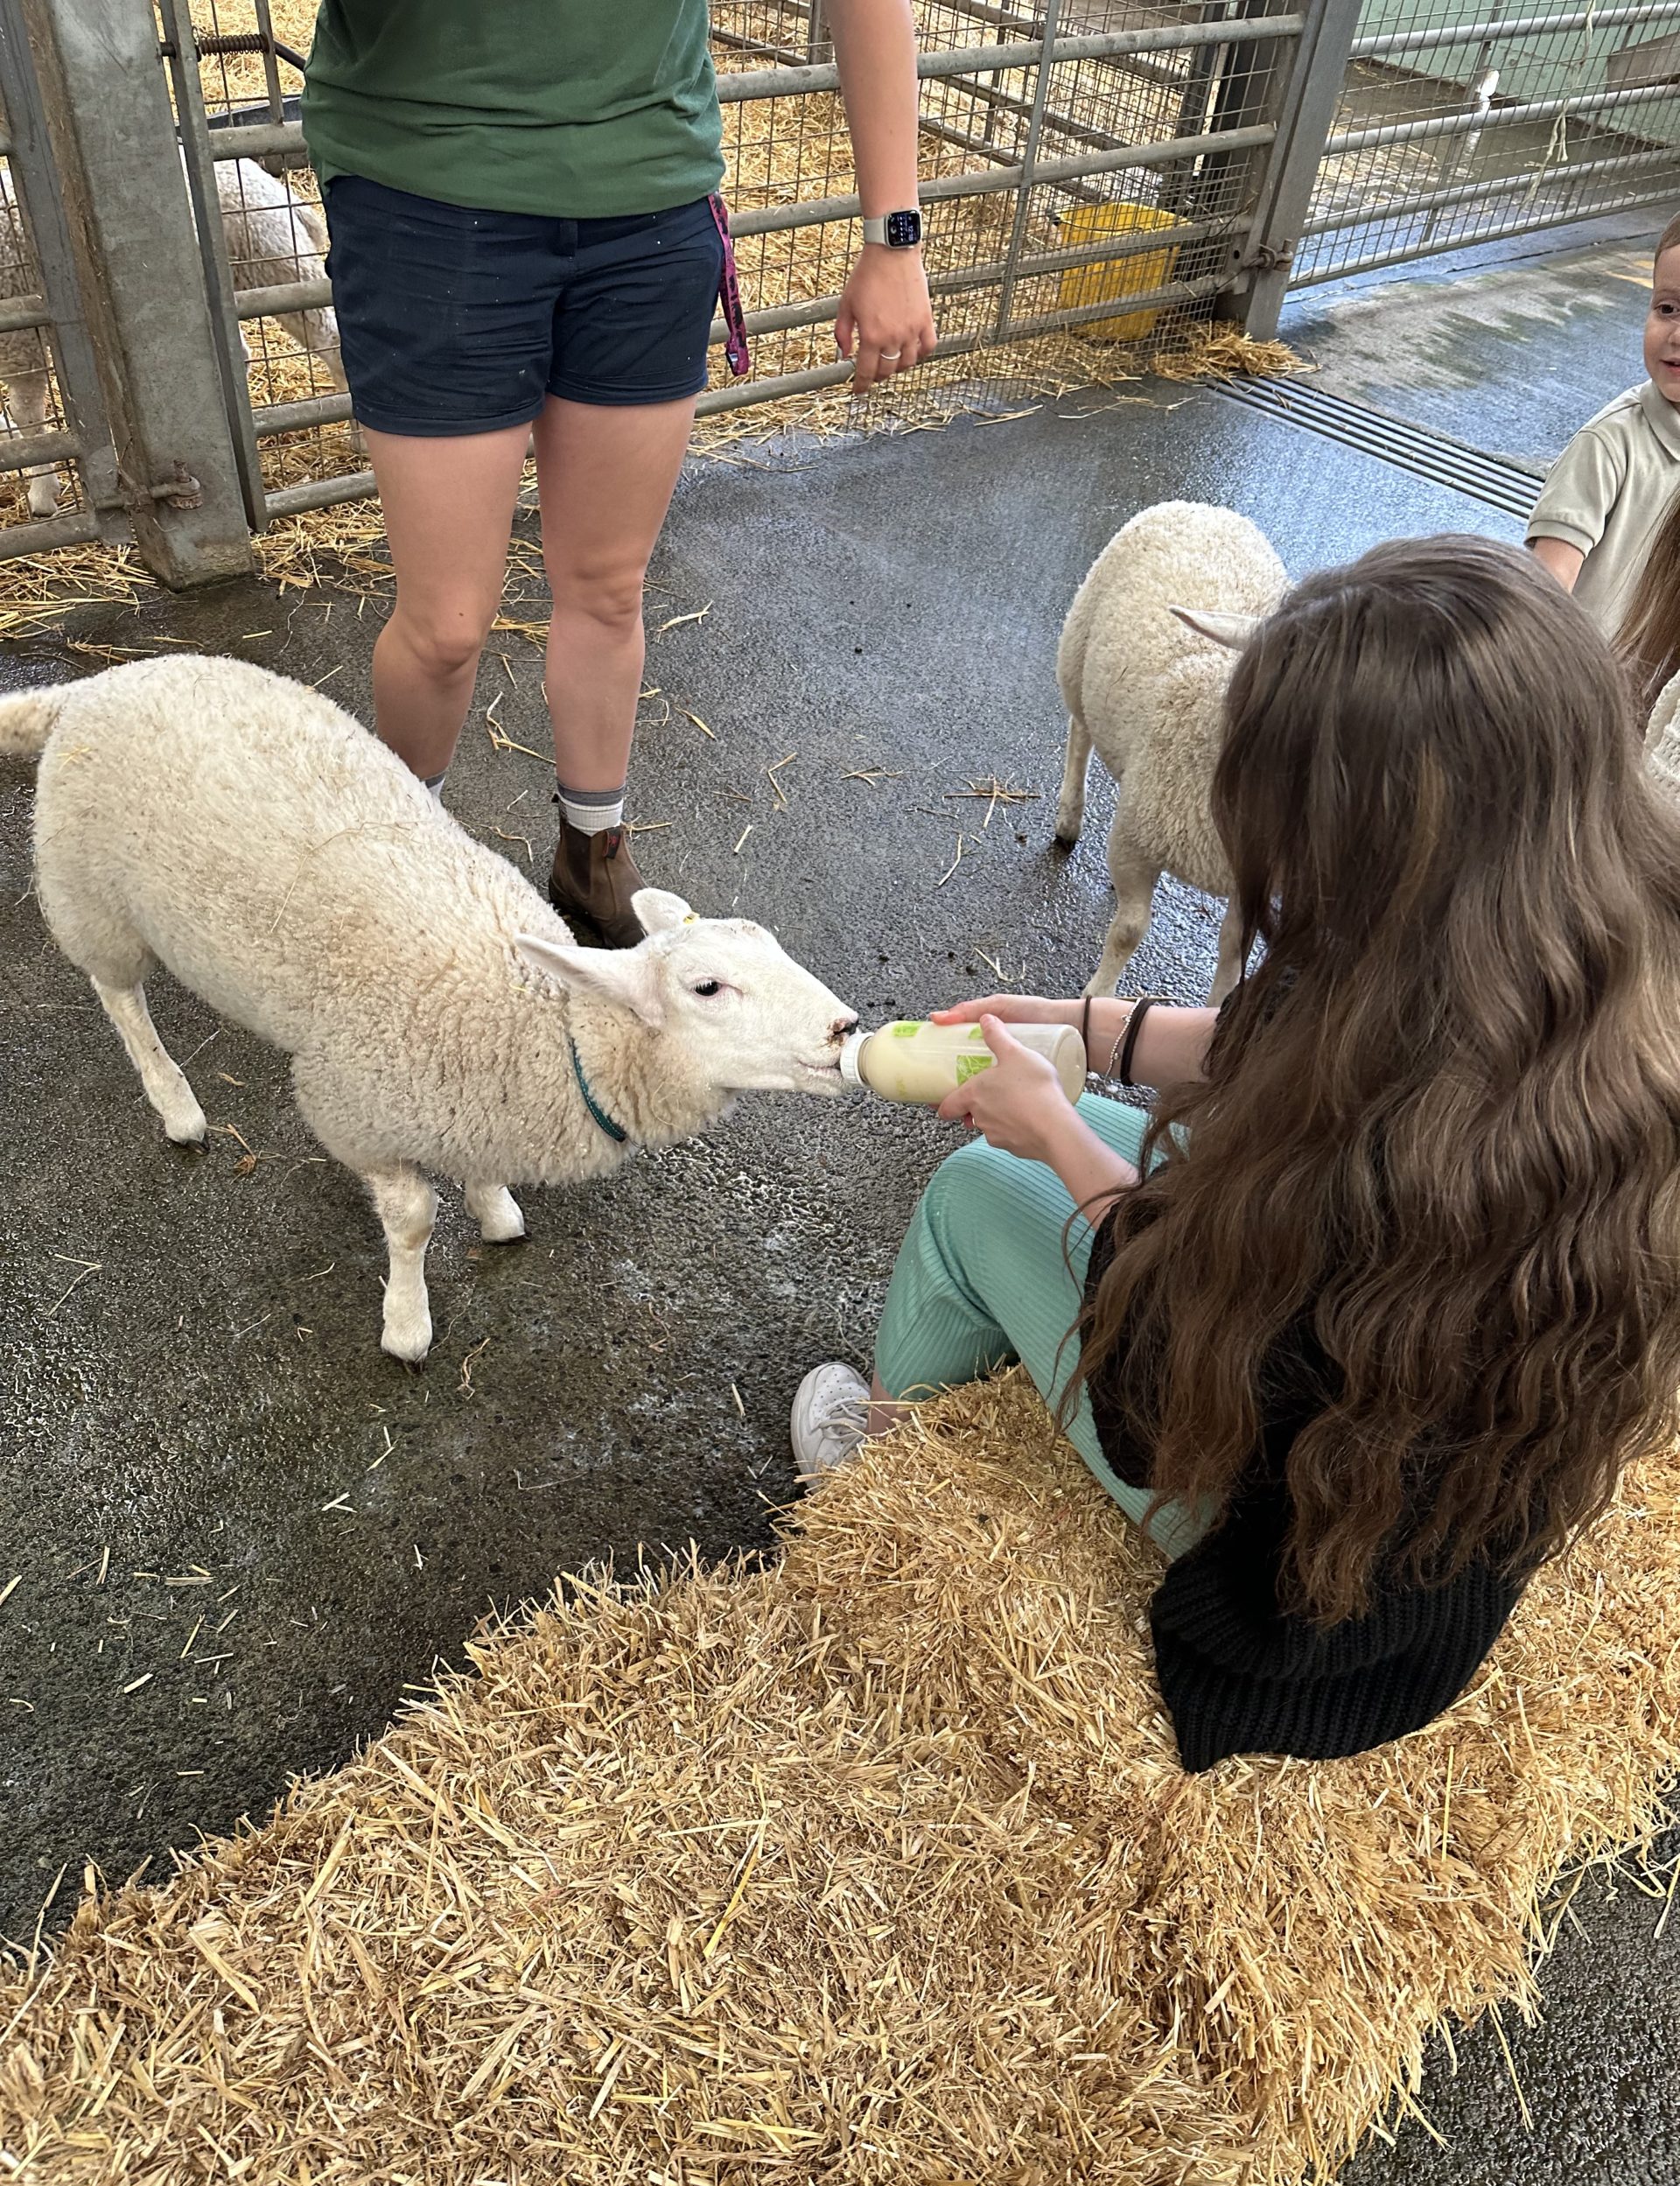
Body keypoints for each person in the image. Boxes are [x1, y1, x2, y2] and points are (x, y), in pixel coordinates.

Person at [793, 538, 1680, 1772]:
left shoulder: (1398, 1166)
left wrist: (1051, 1130)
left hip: (1300, 1570)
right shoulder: (1580, 951)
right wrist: (1094, 1029)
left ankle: (886, 1463)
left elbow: (1168, 1386)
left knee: (969, 1193)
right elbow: (1317, 1039)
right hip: (1448, 1527)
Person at [302, 1, 936, 944]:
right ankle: (402, 862)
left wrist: (895, 235)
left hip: (646, 206)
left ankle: (590, 853)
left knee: (606, 585)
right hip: (428, 196)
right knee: (445, 625)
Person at [1527, 213, 1680, 650]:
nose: (1676, 335)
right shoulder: (1610, 444)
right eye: (1667, 309)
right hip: (1590, 688)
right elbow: (1546, 583)